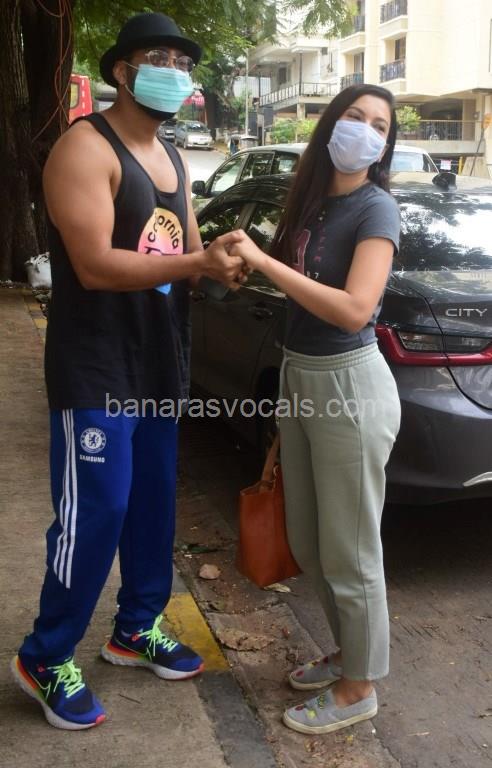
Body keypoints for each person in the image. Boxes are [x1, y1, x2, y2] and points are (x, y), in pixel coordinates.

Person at [11, 12, 245, 730]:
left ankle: (136, 627)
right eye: (159, 58)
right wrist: (197, 260)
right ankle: (47, 655)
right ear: (122, 70)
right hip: (96, 365)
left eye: (183, 62)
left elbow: (188, 253)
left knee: (151, 504)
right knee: (98, 510)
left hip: (158, 361)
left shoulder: (172, 156)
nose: (174, 71)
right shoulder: (84, 148)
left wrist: (227, 262)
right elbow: (93, 265)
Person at [230, 84, 402, 735]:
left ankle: (359, 687)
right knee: (309, 539)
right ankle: (347, 652)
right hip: (301, 376)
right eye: (355, 116)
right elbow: (300, 293)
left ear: (385, 146)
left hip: (349, 385)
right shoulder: (312, 202)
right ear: (331, 124)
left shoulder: (376, 209)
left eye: (379, 125)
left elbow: (355, 309)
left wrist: (265, 264)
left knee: (351, 551)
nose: (364, 130)